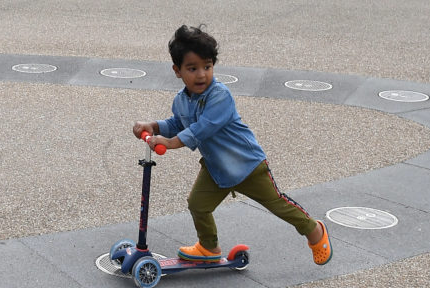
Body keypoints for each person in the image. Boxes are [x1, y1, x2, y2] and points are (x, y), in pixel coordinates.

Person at [132, 24, 331, 266]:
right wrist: (153, 126)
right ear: (177, 70)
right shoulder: (182, 100)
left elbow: (201, 128)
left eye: (207, 67)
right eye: (192, 69)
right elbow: (178, 122)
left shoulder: (220, 96)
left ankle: (314, 230)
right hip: (217, 169)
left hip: (247, 166)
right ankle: (208, 246)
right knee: (198, 204)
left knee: (278, 204)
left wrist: (171, 143)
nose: (201, 75)